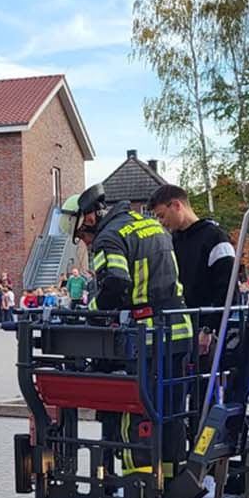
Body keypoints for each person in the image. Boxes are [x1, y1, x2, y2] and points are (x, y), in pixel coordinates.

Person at [58, 184, 192, 480]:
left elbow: (115, 285)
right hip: (179, 331)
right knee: (170, 414)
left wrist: (92, 312)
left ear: (89, 219)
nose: (84, 242)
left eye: (81, 235)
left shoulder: (109, 238)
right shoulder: (147, 224)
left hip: (146, 338)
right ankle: (171, 482)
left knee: (136, 412)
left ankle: (140, 487)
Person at [147, 184, 235, 357]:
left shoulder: (215, 238)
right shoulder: (172, 241)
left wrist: (209, 330)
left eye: (162, 215)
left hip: (207, 334)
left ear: (177, 205)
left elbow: (229, 291)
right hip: (181, 332)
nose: (161, 222)